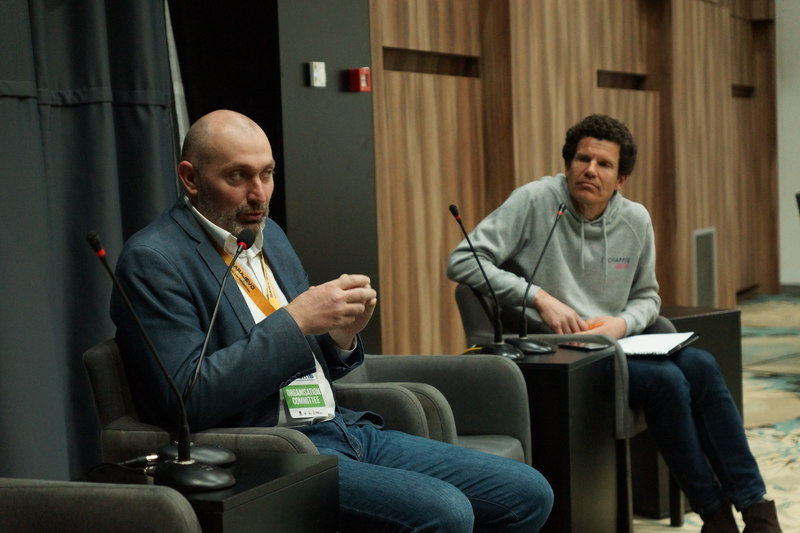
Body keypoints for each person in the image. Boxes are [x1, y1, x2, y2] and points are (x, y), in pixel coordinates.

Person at [111, 109, 553, 532]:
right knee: (445, 510)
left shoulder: (268, 236)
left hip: (339, 427)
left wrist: (341, 338)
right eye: (238, 176)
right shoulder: (155, 260)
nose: (259, 194)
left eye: (267, 173)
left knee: (527, 493)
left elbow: (303, 356)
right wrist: (296, 320)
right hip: (269, 451)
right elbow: (188, 397)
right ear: (190, 178)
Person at [447, 114, 782, 533]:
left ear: (621, 179)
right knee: (666, 382)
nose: (590, 170)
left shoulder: (635, 219)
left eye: (604, 164)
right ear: (568, 164)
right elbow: (463, 260)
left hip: (617, 344)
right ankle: (713, 513)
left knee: (702, 366)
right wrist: (539, 298)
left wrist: (621, 325)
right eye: (582, 159)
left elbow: (648, 296)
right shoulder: (535, 200)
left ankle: (756, 507)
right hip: (559, 354)